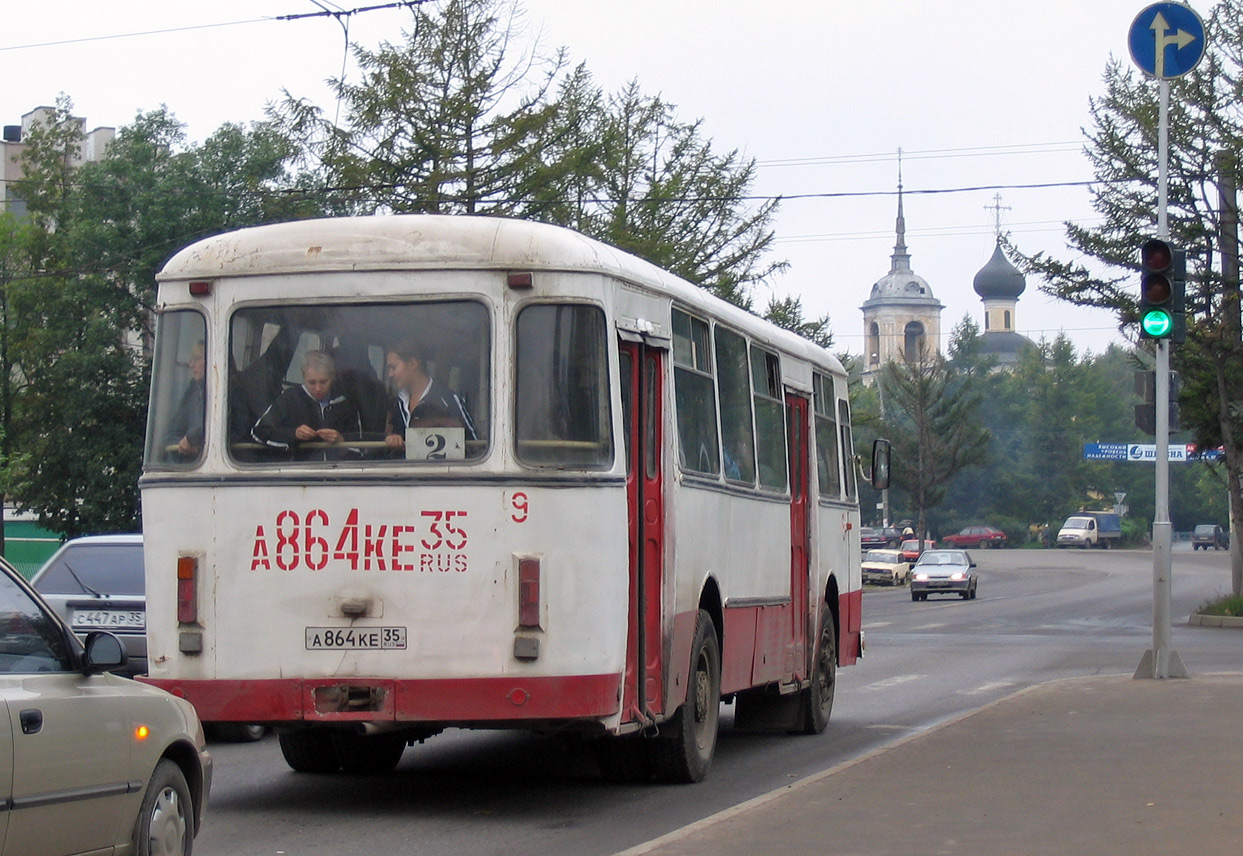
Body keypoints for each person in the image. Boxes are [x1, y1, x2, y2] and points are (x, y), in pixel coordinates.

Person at [251, 350, 362, 459]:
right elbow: (259, 432)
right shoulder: (289, 398)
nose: (318, 388)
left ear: (332, 378)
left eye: (323, 382)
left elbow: (361, 447)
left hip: (339, 472)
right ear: (303, 378)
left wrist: (340, 441)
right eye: (312, 382)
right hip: (300, 472)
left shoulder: (345, 402)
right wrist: (294, 434)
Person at [383, 338, 477, 452]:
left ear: (413, 363)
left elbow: (474, 445)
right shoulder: (396, 405)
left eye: (393, 367)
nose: (390, 374)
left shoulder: (449, 400)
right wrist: (391, 440)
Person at [165, 340, 206, 460]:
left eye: (197, 359)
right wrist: (182, 445)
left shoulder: (231, 392)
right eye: (192, 360)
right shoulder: (192, 392)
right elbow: (173, 432)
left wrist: (191, 439)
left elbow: (229, 428)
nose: (191, 364)